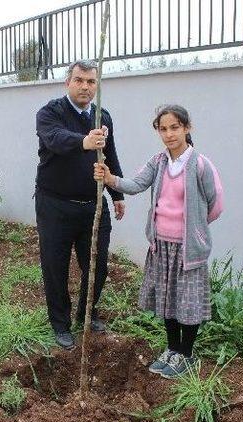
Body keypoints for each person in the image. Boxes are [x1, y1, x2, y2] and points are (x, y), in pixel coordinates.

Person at [93, 104, 224, 379]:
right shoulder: (159, 162)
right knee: (168, 300)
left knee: (187, 302)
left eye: (175, 127)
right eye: (163, 129)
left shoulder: (199, 164)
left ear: (187, 128)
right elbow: (136, 184)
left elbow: (215, 205)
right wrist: (109, 178)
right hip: (161, 245)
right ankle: (172, 350)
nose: (169, 134)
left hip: (188, 249)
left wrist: (196, 230)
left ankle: (186, 355)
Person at [35, 59, 126, 349]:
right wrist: (84, 141)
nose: (85, 86)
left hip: (93, 206)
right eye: (79, 80)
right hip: (55, 206)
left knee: (97, 264)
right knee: (55, 266)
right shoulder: (50, 113)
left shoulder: (103, 116)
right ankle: (60, 324)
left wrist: (117, 193)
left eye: (90, 82)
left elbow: (109, 154)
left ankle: (86, 314)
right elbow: (55, 139)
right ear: (68, 82)